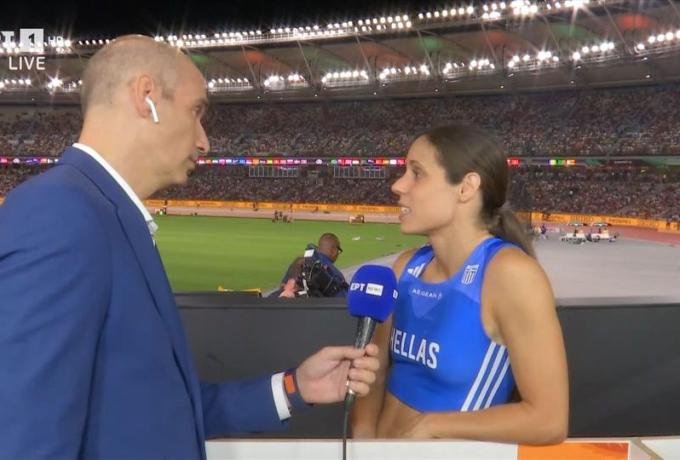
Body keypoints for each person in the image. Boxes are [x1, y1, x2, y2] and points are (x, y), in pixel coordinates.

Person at [0, 35, 379, 460]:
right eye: (196, 112)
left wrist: (294, 388)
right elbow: (24, 436)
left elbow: (159, 408)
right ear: (147, 97)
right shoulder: (60, 212)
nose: (205, 141)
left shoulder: (107, 215)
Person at [351, 125, 568, 444]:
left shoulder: (510, 274)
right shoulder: (405, 267)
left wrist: (434, 425)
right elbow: (374, 370)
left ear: (466, 188)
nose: (398, 185)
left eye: (417, 173)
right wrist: (364, 440)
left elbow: (548, 420)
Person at [276, 232, 348, 298]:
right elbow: (343, 299)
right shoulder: (334, 272)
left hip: (282, 301)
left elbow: (283, 286)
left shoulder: (299, 260)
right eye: (338, 251)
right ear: (334, 251)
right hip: (311, 306)